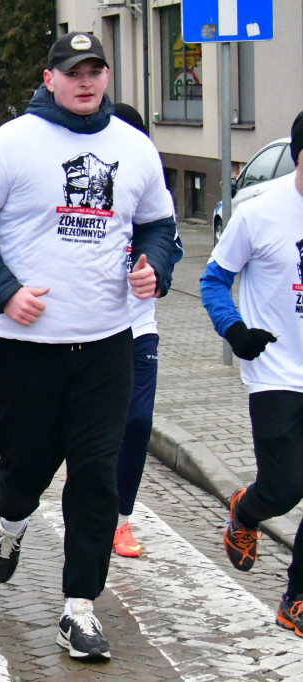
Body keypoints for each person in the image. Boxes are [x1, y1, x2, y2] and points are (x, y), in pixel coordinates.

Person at [0, 32, 177, 661]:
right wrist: (3, 293)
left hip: (106, 343)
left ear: (106, 79)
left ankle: (79, 608)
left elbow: (160, 224)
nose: (86, 80)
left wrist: (153, 264)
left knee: (96, 475)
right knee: (26, 466)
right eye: (74, 70)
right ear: (50, 78)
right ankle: (10, 520)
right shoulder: (12, 143)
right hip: (25, 347)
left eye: (96, 70)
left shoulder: (134, 148)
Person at [200, 111, 303, 638]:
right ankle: (246, 510)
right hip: (275, 371)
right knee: (285, 488)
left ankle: (297, 597)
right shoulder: (260, 213)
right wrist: (235, 331)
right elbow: (214, 280)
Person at [109, 103, 183, 559]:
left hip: (139, 328)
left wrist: (155, 271)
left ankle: (120, 521)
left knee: (136, 423)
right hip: (91, 331)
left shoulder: (152, 196)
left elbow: (170, 253)